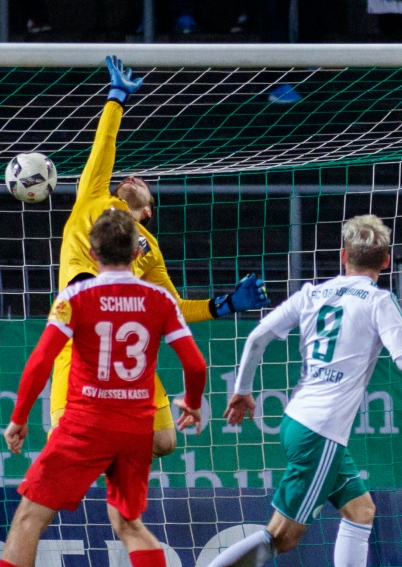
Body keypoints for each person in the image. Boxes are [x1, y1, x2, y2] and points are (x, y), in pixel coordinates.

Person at [171, 215, 402, 567]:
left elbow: (257, 337)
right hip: (321, 432)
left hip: (302, 420)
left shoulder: (312, 293)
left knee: (361, 510)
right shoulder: (378, 301)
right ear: (387, 260)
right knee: (282, 536)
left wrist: (243, 390)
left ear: (342, 256)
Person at [0, 211, 207, 567]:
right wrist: (194, 404)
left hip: (86, 425)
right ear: (136, 252)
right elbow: (195, 364)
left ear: (92, 252)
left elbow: (41, 361)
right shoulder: (159, 300)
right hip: (135, 428)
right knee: (128, 521)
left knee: (29, 516)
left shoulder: (76, 296)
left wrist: (19, 417)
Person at [51, 55, 269, 461]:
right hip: (80, 337)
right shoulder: (93, 196)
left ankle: (114, 450)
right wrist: (116, 98)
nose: (132, 177)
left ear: (147, 212)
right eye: (126, 179)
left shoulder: (148, 248)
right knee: (66, 446)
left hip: (127, 353)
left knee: (165, 442)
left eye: (144, 186)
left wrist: (224, 305)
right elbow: (104, 146)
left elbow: (175, 308)